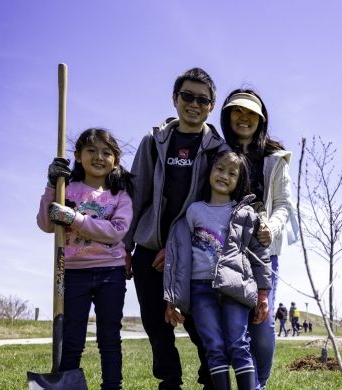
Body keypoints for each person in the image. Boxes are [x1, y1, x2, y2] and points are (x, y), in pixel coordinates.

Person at [124, 67, 226, 390]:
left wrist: (179, 247)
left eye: (202, 99)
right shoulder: (153, 143)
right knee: (156, 323)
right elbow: (135, 197)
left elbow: (215, 210)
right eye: (187, 96)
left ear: (211, 105)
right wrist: (125, 248)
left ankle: (210, 378)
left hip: (195, 255)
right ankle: (170, 381)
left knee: (201, 324)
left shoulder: (218, 152)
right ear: (174, 99)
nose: (193, 104)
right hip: (150, 250)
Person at [163, 150, 272, 390]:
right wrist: (174, 298)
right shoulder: (194, 211)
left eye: (232, 173)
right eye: (219, 169)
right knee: (213, 345)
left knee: (238, 343)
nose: (224, 176)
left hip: (236, 288)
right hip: (200, 288)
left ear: (239, 180)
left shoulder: (246, 214)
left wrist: (263, 293)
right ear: (210, 172)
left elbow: (260, 255)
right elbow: (179, 258)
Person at [37, 128, 133, 390]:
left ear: (116, 159)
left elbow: (116, 232)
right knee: (72, 337)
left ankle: (112, 386)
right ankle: (67, 384)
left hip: (110, 273)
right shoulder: (65, 189)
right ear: (78, 156)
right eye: (91, 150)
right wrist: (50, 184)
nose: (99, 157)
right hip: (72, 272)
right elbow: (46, 224)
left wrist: (74, 219)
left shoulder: (119, 195)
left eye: (107, 152)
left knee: (109, 337)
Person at [220, 88, 298, 388]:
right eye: (238, 111)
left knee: (261, 324)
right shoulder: (215, 151)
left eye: (252, 114)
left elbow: (283, 204)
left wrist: (272, 228)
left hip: (262, 252)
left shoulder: (274, 159)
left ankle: (259, 384)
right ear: (227, 115)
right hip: (222, 252)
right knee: (226, 326)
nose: (244, 118)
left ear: (261, 120)